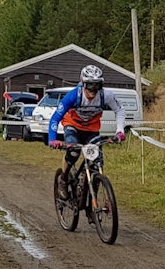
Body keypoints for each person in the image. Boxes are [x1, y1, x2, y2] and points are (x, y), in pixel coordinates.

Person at [47, 65, 127, 196]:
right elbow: (55, 118)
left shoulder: (106, 95)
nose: (94, 90)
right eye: (90, 85)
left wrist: (120, 131)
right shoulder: (73, 96)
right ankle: (63, 179)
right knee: (73, 152)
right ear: (82, 83)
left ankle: (91, 195)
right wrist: (52, 139)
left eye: (98, 85)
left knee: (97, 161)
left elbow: (119, 110)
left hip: (91, 129)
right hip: (73, 126)